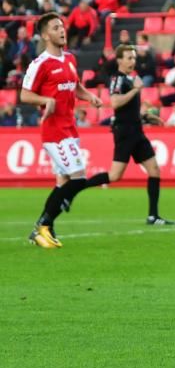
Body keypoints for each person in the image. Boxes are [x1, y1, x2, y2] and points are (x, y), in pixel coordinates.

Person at [21, 13, 104, 248]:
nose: (62, 30)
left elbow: (75, 86)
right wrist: (46, 99)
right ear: (46, 35)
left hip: (70, 129)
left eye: (63, 26)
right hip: (54, 132)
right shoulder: (40, 64)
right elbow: (24, 94)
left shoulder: (69, 59)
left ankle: (46, 229)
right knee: (78, 179)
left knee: (63, 182)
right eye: (56, 27)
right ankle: (42, 225)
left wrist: (89, 96)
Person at [99, 45, 174, 225]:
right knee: (115, 176)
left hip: (137, 131)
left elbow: (128, 110)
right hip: (124, 132)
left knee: (154, 170)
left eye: (134, 58)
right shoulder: (118, 79)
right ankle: (76, 187)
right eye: (129, 58)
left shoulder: (128, 80)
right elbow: (115, 103)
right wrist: (135, 90)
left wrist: (146, 117)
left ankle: (153, 216)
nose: (133, 61)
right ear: (119, 61)